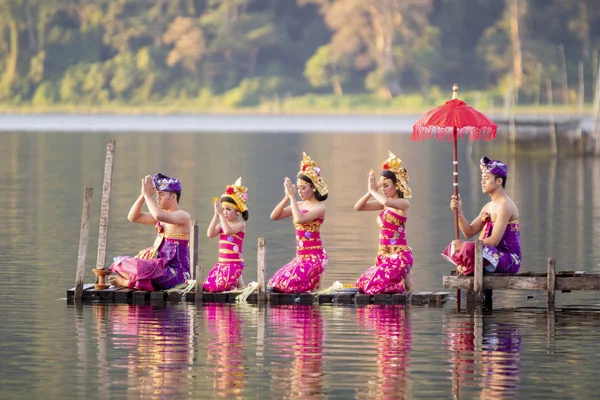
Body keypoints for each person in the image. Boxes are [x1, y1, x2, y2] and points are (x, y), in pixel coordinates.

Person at [109, 173, 191, 291]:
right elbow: (133, 217)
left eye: (161, 195)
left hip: (177, 273)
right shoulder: (162, 217)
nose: (157, 198)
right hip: (158, 267)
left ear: (173, 197)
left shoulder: (183, 216)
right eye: (156, 195)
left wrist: (148, 196)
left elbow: (158, 215)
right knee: (121, 263)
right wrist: (143, 195)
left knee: (149, 273)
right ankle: (133, 279)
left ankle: (126, 282)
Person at [442, 156, 522, 275]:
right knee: (454, 245)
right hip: (490, 253)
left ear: (499, 181)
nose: (482, 182)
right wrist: (458, 212)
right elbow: (469, 231)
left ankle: (469, 266)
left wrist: (465, 246)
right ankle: (469, 266)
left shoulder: (505, 206)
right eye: (482, 178)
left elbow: (494, 241)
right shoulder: (488, 206)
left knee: (470, 248)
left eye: (486, 178)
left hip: (509, 258)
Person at [268, 152, 328, 293]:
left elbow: (299, 219)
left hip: (315, 257)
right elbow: (274, 216)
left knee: (288, 286)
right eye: (299, 188)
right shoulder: (299, 204)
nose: (300, 191)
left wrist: (293, 198)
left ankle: (317, 278)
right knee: (275, 283)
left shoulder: (320, 208)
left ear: (313, 187)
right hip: (300, 258)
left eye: (304, 188)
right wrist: (287, 197)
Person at [355, 151, 413, 294]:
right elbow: (359, 207)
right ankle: (400, 283)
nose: (384, 189)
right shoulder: (384, 204)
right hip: (384, 256)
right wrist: (371, 191)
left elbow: (386, 201)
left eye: (386, 185)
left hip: (398, 256)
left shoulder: (403, 203)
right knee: (362, 284)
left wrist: (373, 190)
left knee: (374, 286)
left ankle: (402, 284)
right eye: (383, 186)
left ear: (397, 185)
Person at [203, 177, 248, 292]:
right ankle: (240, 285)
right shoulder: (222, 222)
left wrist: (221, 215)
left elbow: (228, 231)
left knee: (219, 287)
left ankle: (240, 285)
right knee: (208, 286)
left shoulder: (241, 225)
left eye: (228, 209)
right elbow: (210, 234)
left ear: (237, 211)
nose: (225, 212)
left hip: (234, 264)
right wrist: (216, 215)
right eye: (223, 209)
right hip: (222, 264)